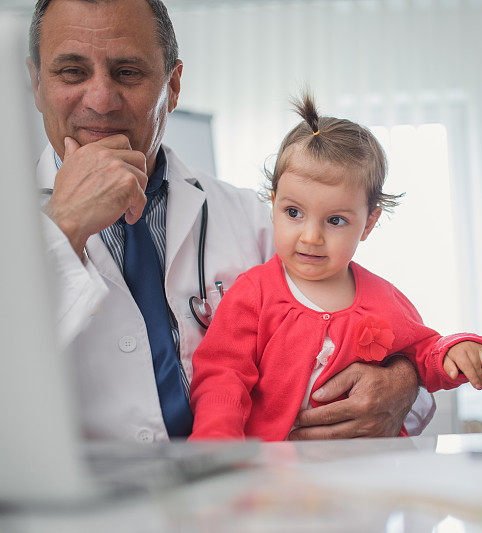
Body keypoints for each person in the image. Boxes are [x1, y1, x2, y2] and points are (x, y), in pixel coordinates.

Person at [28, 0, 435, 441]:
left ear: (174, 84)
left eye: (128, 72)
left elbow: (374, 329)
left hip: (242, 495)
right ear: (36, 83)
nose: (101, 99)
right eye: (72, 72)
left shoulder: (257, 220)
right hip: (81, 503)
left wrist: (403, 383)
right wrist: (64, 225)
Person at [189, 95, 482, 440]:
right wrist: (215, 446)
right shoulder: (253, 294)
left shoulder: (385, 299)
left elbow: (424, 354)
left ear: (368, 224)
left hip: (366, 478)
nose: (311, 237)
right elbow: (223, 376)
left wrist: (458, 349)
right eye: (293, 213)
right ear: (273, 202)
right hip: (276, 476)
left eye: (335, 220)